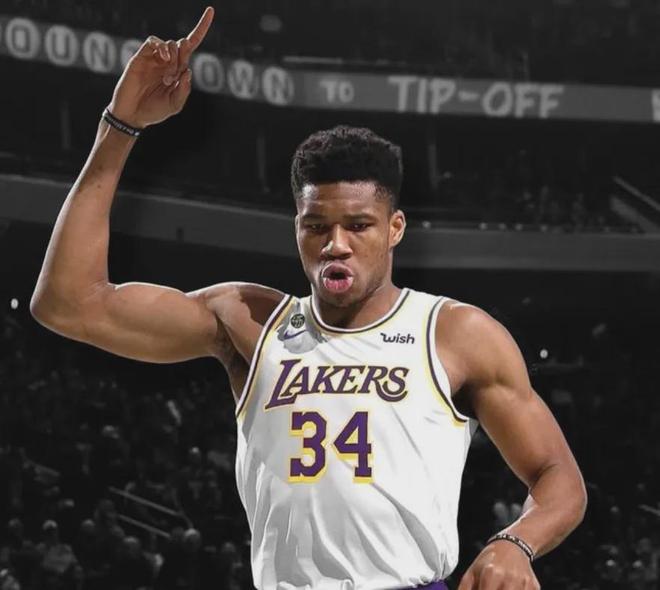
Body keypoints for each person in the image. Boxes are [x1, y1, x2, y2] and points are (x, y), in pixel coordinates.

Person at [30, 7, 587, 589]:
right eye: (316, 227)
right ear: (296, 228)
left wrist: (515, 543)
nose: (335, 245)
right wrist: (119, 125)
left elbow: (558, 478)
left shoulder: (455, 332)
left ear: (395, 228)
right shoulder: (248, 320)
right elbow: (68, 303)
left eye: (359, 226)